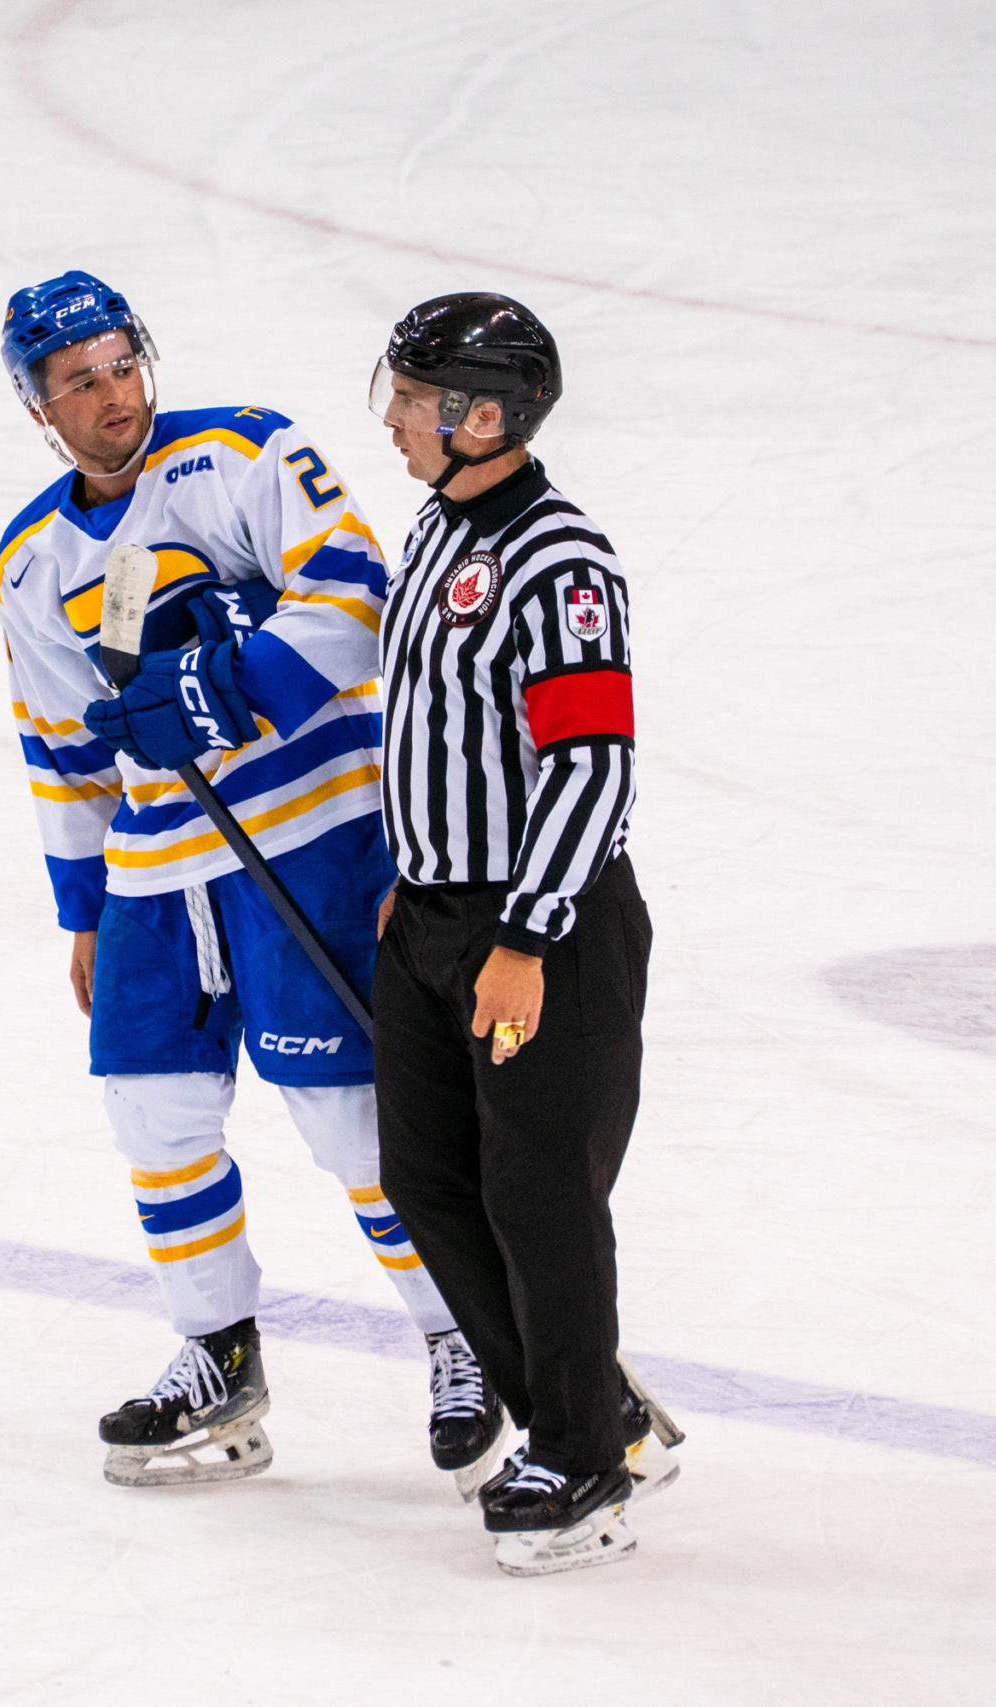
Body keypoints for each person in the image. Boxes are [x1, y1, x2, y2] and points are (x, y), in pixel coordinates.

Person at [0, 270, 500, 1491]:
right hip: (157, 875)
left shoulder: (242, 454)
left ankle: (461, 1334)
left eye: (121, 364)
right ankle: (215, 1353)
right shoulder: (30, 558)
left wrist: (224, 687)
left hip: (311, 833)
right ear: (38, 406)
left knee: (349, 1116)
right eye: (79, 382)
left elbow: (354, 593)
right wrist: (83, 913)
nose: (112, 395)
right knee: (152, 1114)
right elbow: (62, 751)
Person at [366, 292, 671, 1575]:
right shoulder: (436, 528)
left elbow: (592, 765)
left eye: (411, 394)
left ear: (479, 417)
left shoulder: (561, 561)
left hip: (535, 931)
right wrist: (415, 881)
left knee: (538, 1191)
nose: (389, 414)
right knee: (430, 1182)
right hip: (435, 920)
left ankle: (584, 1454)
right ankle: (582, 1405)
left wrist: (525, 936)